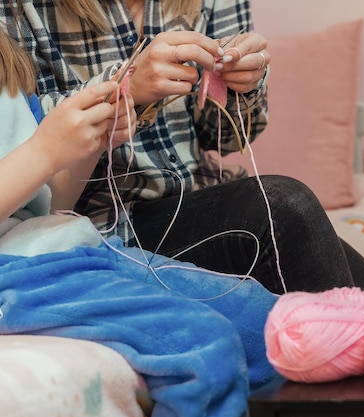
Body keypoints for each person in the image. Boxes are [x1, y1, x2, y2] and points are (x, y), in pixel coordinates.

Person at [0, 0, 364, 312]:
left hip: (193, 200)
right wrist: (128, 86)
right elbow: (26, 134)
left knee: (290, 222)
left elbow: (228, 138)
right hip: (100, 225)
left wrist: (242, 83)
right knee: (283, 209)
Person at [0, 27, 282, 417]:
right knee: (205, 344)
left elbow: (48, 202)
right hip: (17, 274)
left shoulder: (7, 68)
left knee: (267, 324)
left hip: (64, 247)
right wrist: (44, 152)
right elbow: (37, 162)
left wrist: (92, 143)